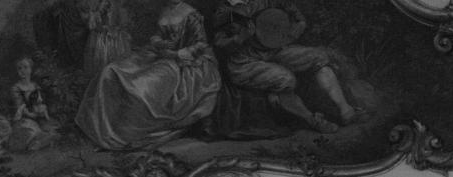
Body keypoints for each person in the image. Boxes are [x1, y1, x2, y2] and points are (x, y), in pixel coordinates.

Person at [76, 0, 223, 152]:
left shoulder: (191, 14)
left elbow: (201, 43)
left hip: (182, 63)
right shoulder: (166, 9)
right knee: (110, 71)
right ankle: (104, 130)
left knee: (140, 87)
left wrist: (179, 53)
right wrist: (160, 43)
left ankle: (127, 134)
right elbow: (157, 37)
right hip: (158, 55)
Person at [212, 0, 359, 134]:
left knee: (318, 57)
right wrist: (241, 37)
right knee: (285, 79)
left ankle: (345, 110)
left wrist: (298, 26)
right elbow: (219, 44)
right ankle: (312, 120)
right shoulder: (226, 9)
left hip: (276, 49)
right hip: (245, 61)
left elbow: (298, 17)